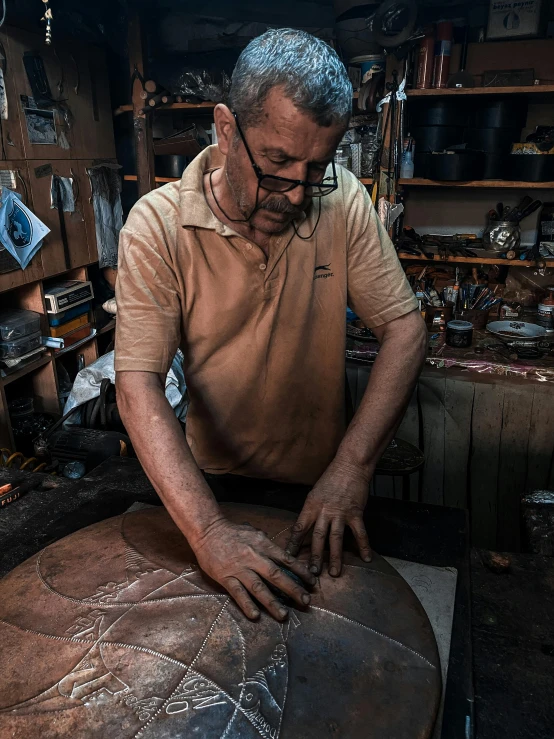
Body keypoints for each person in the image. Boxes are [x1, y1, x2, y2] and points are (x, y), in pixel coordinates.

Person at [115, 28, 426, 622]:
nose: (295, 194)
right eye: (278, 163)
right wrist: (208, 534)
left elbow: (406, 333)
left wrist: (352, 468)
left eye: (317, 168)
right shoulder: (155, 227)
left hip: (324, 487)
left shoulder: (343, 204)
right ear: (226, 128)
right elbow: (138, 387)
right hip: (209, 488)